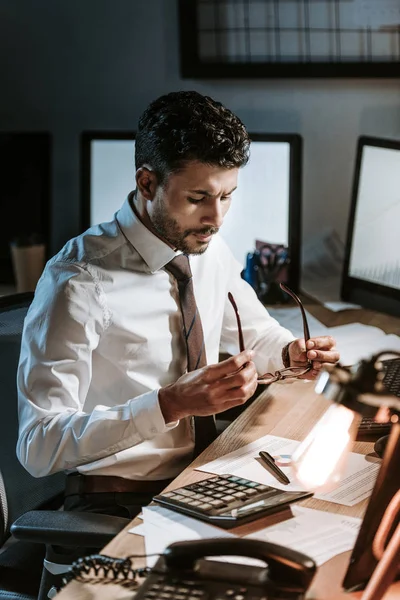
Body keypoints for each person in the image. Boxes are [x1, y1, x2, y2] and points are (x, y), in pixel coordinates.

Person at [17, 91, 339, 519]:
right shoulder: (77, 281)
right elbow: (37, 445)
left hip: (201, 477)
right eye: (198, 198)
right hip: (115, 501)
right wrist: (169, 405)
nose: (217, 217)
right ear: (147, 182)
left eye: (227, 196)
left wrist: (290, 353)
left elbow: (255, 332)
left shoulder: (205, 246)